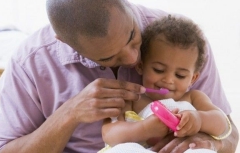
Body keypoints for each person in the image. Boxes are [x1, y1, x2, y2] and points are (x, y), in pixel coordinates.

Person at [0, 0, 238, 153]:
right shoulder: (30, 63)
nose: (133, 59)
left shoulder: (181, 45)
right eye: (108, 57)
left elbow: (230, 134)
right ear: (64, 41)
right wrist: (70, 113)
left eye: (132, 36)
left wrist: (206, 143)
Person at [99, 15, 232, 152]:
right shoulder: (131, 99)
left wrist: (199, 120)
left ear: (193, 79)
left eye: (180, 75)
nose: (168, 80)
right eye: (159, 70)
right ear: (140, 66)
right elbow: (108, 134)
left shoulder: (194, 98)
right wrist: (144, 129)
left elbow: (222, 125)